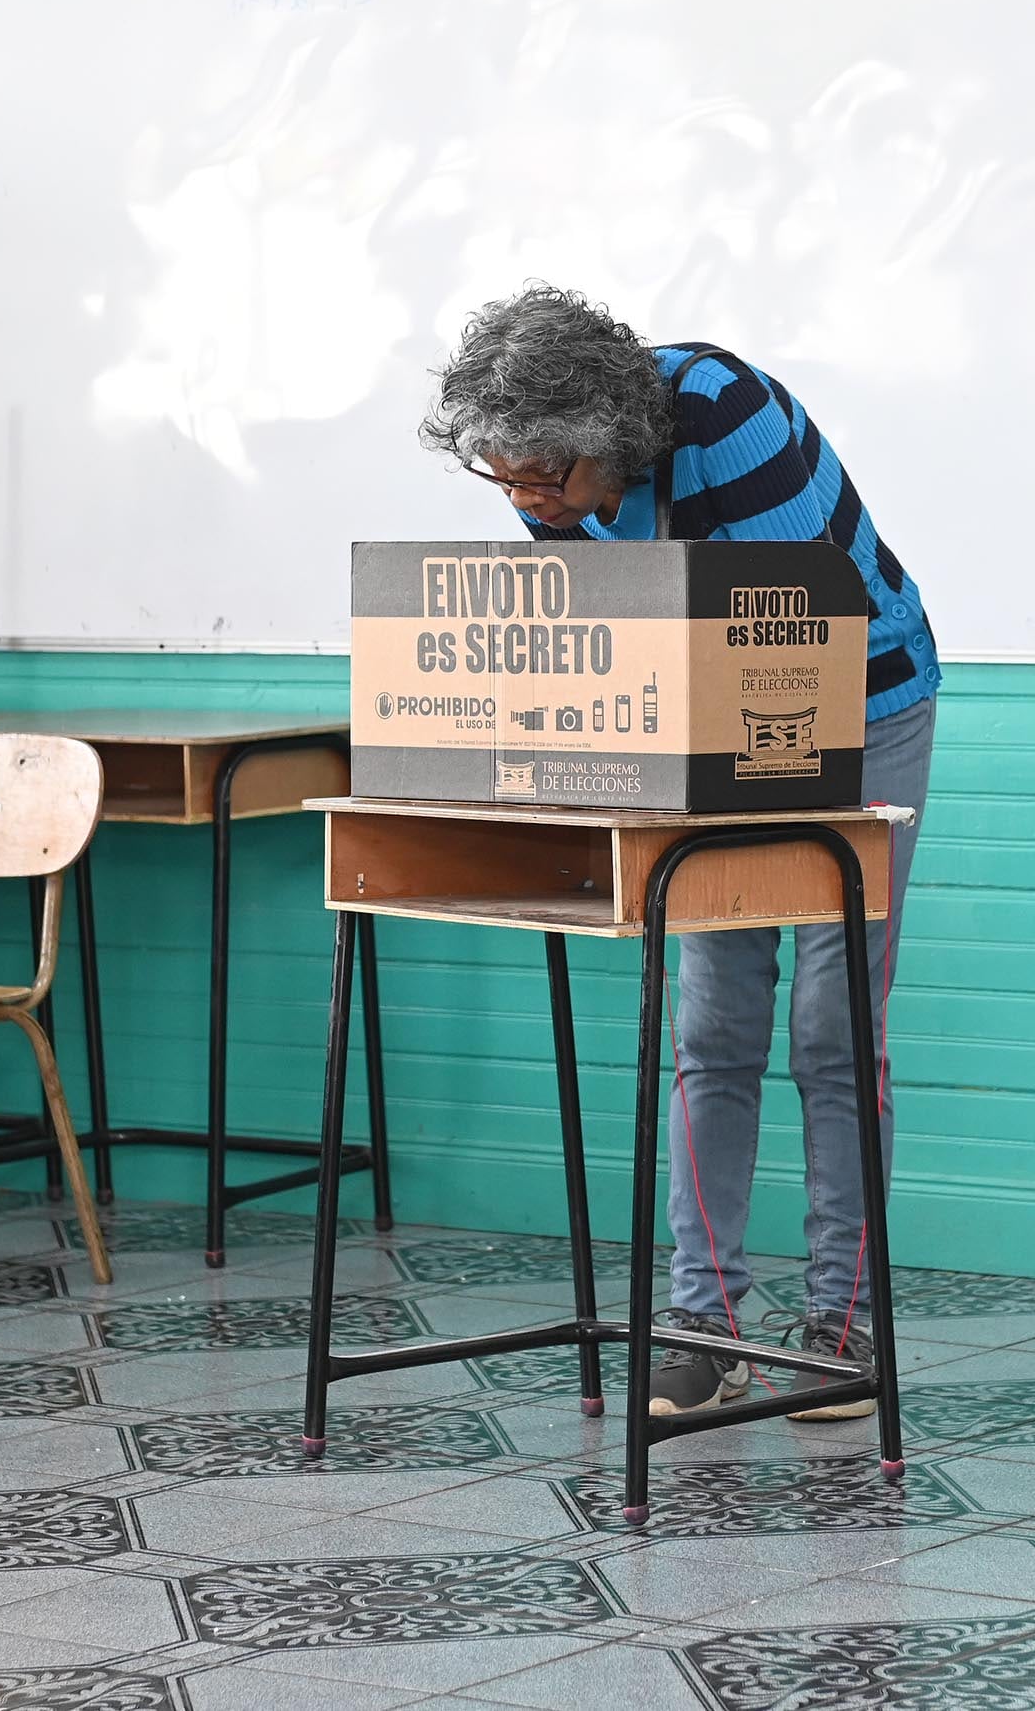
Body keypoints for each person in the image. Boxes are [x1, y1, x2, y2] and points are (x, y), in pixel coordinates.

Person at [419, 285, 939, 1420]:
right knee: (713, 1019)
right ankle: (705, 1323)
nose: (528, 502)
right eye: (505, 479)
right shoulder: (542, 462)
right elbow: (606, 644)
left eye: (545, 481)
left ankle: (842, 1329)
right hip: (705, 727)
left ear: (605, 439)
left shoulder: (724, 412)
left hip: (858, 698)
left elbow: (785, 637)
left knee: (832, 1023)